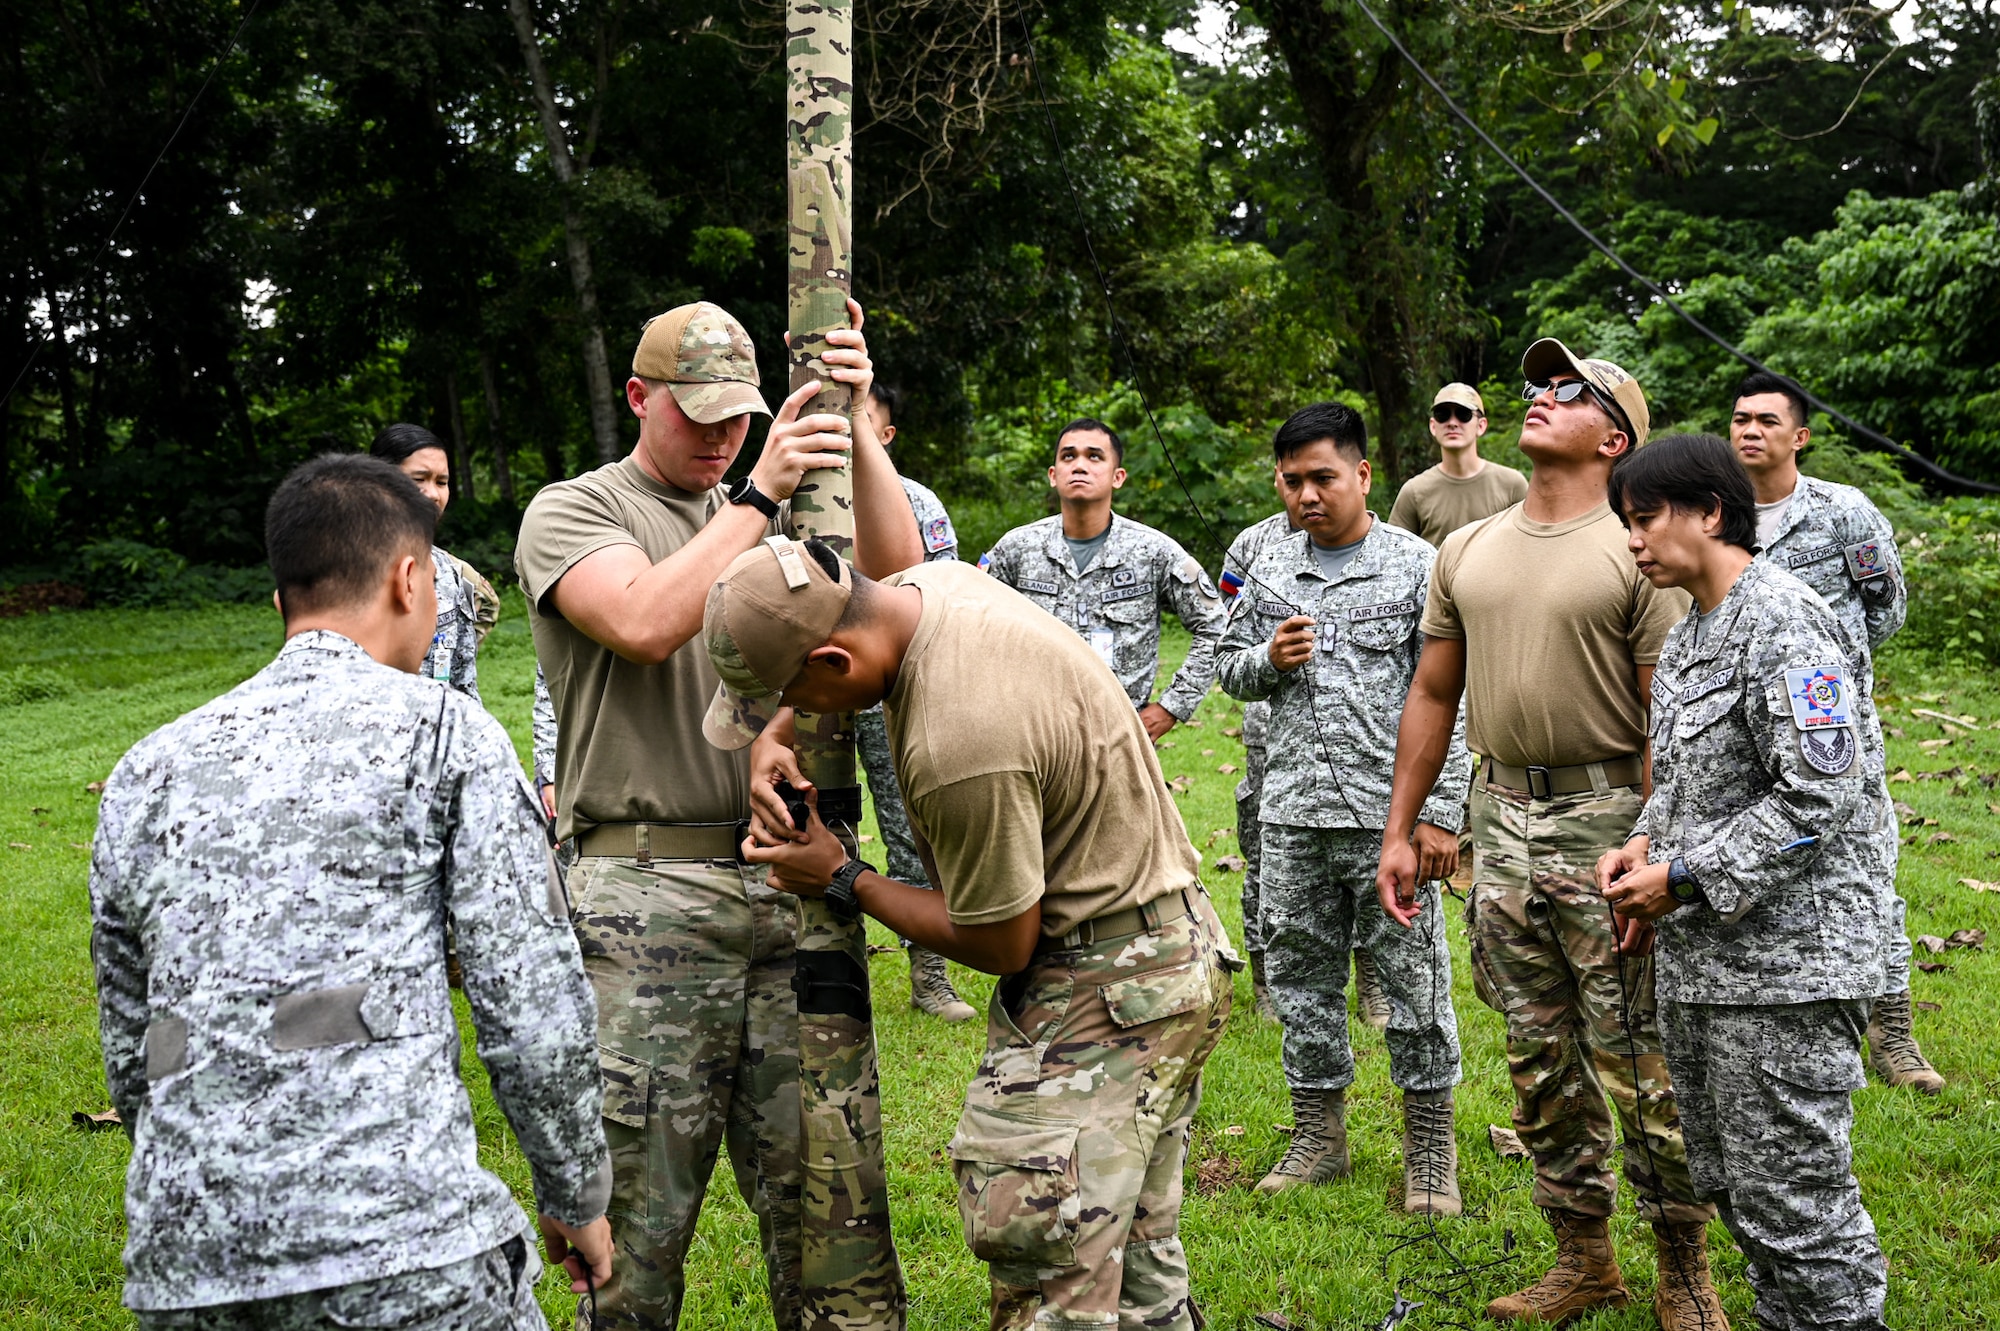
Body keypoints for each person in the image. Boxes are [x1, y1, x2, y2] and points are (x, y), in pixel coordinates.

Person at [89, 453, 612, 1329]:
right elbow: (529, 999)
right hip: (409, 1253)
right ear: (411, 580)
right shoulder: (447, 732)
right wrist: (575, 1188)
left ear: (280, 601)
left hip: (187, 1272)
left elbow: (133, 1042)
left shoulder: (147, 769)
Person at [701, 539, 1236, 1331]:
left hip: (1105, 991)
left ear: (831, 660)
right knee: (1136, 1261)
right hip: (1175, 952)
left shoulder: (960, 742)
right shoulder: (931, 588)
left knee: (1050, 1271)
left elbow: (1000, 943)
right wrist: (778, 726)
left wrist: (842, 875)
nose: (798, 710)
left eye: (793, 691)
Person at [513, 299, 921, 1330]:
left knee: (830, 1208)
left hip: (788, 886)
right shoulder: (574, 510)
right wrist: (757, 494)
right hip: (642, 899)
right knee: (637, 1227)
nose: (719, 435)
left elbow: (906, 581)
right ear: (637, 397)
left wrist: (858, 418)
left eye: (737, 416)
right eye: (695, 414)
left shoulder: (767, 510)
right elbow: (647, 619)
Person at [1376, 340, 1721, 1322]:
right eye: (1533, 384)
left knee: (1638, 1057)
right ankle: (1581, 1256)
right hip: (1500, 822)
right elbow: (1433, 690)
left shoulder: (1639, 548)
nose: (1537, 396)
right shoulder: (1468, 546)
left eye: (1566, 389)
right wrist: (1406, 827)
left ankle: (1681, 1266)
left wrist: (1657, 849)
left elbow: (1670, 722)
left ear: (1614, 436)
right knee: (1537, 1058)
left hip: (1609, 820)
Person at [1600, 432, 1890, 1330]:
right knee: (1739, 1192)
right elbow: (1689, 787)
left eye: (1645, 518)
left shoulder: (1786, 617)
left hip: (1791, 967)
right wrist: (1642, 845)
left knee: (1799, 1204)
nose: (1635, 540)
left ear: (1711, 511)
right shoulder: (1691, 633)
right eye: (1625, 522)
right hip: (1715, 966)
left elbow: (1821, 790)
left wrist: (1683, 877)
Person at [1218, 402, 1470, 1211]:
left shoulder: (1417, 566)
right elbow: (1227, 665)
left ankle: (1430, 1149)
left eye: (1323, 477)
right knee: (1301, 978)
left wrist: (1442, 814)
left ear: (1363, 475)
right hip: (1292, 812)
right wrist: (1267, 657)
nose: (1306, 495)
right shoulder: (1268, 565)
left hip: (1387, 818)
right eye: (1291, 481)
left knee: (1416, 979)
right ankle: (1318, 1134)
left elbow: (1455, 697)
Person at [1729, 370, 1938, 1094]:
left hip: (1836, 733)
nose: (1749, 430)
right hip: (1744, 736)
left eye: (1765, 420)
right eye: (1739, 419)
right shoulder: (1717, 516)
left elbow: (1886, 604)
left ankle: (1894, 1029)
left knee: (1869, 867)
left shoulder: (1841, 512)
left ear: (1800, 435)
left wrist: (1838, 678)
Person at [854, 381, 976, 1022]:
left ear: (886, 434)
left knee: (910, 824)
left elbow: (942, 593)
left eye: (859, 419)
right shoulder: (789, 490)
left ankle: (929, 975)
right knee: (811, 816)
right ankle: (820, 961)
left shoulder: (914, 502)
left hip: (887, 684)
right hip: (804, 687)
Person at [982, 418, 1224, 739]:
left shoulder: (1153, 551)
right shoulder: (1016, 550)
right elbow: (970, 624)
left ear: (1117, 477)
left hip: (1118, 738)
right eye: (1068, 456)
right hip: (1031, 735)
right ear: (1053, 475)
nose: (1080, 465)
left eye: (1094, 456)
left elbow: (1215, 625)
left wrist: (1171, 707)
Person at [368, 423, 489, 701]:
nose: (433, 494)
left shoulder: (449, 572)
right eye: (418, 480)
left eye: (441, 482)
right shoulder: (348, 571)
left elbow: (462, 681)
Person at [1387, 382, 1529, 547]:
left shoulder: (1511, 485)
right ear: (1433, 426)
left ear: (1481, 425)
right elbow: (1393, 557)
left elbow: (1529, 547)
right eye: (1443, 414)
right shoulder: (1414, 492)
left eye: (1463, 414)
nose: (1452, 423)